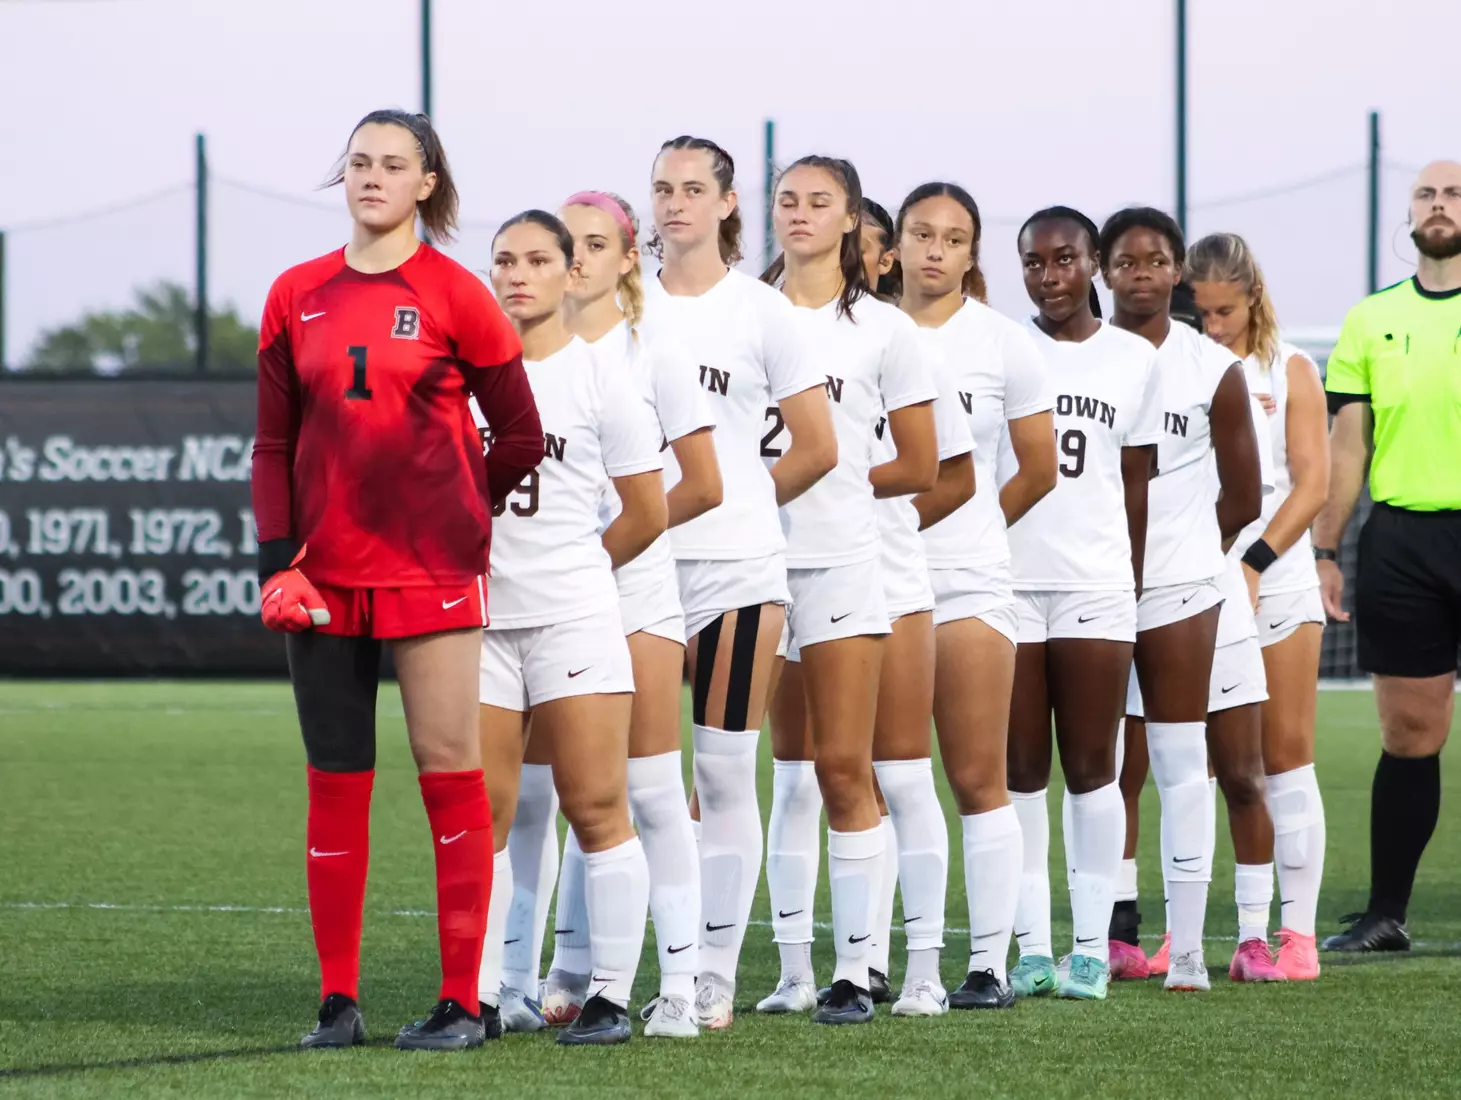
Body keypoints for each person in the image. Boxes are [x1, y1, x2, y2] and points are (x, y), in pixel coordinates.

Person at [251, 109, 543, 1052]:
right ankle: (338, 1001)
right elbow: (273, 442)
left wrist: (460, 514)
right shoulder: (296, 294)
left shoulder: (460, 295)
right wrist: (277, 555)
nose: (371, 177)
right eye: (359, 163)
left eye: (393, 165)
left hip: (432, 576)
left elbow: (522, 436)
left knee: (449, 780)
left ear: (427, 184)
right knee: (334, 783)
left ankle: (463, 1001)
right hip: (323, 580)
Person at [511, 191, 721, 1038]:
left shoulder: (652, 355)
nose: (582, 257)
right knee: (530, 799)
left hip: (630, 596)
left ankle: (680, 984)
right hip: (533, 606)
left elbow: (703, 485)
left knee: (648, 793)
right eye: (571, 243)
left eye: (599, 243)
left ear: (627, 259)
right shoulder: (512, 359)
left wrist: (589, 563)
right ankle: (512, 981)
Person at [643, 135, 838, 1030]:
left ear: (727, 204)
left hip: (734, 568)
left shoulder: (764, 314)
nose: (673, 203)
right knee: (625, 780)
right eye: (660, 188)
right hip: (634, 569)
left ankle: (712, 971)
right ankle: (588, 968)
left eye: (692, 189)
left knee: (722, 774)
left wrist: (740, 505)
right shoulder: (618, 305)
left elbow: (817, 447)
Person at [475, 210, 667, 1046]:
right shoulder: (457, 378)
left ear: (567, 273)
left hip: (575, 618)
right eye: (504, 260)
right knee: (478, 813)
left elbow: (648, 510)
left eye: (537, 259)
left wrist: (582, 570)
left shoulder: (600, 378)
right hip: (477, 623)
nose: (519, 274)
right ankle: (476, 994)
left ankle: (609, 998)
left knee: (596, 804)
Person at [754, 157, 938, 1026]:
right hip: (745, 566)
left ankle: (856, 972)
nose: (798, 214)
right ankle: (791, 971)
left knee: (840, 768)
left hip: (840, 563)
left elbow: (923, 462)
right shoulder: (736, 315)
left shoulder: (882, 330)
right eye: (786, 199)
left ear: (850, 218)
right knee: (780, 776)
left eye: (817, 202)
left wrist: (835, 480)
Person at [898, 183, 1058, 1011]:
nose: (933, 250)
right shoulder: (862, 334)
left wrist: (973, 527)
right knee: (887, 777)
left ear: (970, 254)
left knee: (973, 774)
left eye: (951, 239)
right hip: (876, 582)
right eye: (919, 233)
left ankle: (986, 963)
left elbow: (1038, 464)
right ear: (892, 244)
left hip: (967, 582)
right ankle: (886, 959)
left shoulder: (1003, 343)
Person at [1101, 207, 1264, 992]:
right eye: (1125, 260)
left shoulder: (1212, 369)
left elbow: (1240, 497)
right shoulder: (1075, 361)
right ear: (1103, 271)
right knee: (1100, 771)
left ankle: (1190, 950)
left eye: (1155, 260)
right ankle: (1099, 936)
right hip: (1091, 588)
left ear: (1178, 275)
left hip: (1180, 590)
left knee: (1180, 765)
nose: (1141, 272)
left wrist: (1182, 554)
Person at [1004, 206, 1163, 1003]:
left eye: (1063, 259)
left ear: (1093, 262)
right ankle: (1032, 949)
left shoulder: (1132, 358)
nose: (1048, 276)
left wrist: (1128, 585)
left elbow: (1134, 484)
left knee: (1094, 773)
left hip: (1097, 585)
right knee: (1022, 772)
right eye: (1033, 263)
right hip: (1012, 583)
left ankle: (1090, 950)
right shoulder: (1002, 348)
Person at [1315, 160, 1461, 954]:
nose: (1439, 206)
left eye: (1454, 193)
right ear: (1408, 214)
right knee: (1408, 734)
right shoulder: (1369, 320)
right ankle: (1385, 915)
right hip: (1402, 540)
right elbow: (1347, 447)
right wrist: (1326, 546)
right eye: (1426, 194)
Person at [1190, 232, 1330, 980]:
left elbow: (1311, 485)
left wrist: (1252, 561)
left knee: (1284, 759)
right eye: (1202, 312)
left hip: (1275, 584)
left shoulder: (1291, 368)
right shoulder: (1180, 366)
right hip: (1195, 587)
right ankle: (1199, 936)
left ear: (1253, 296)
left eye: (1224, 311)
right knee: (1206, 768)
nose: (1213, 326)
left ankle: (1297, 938)